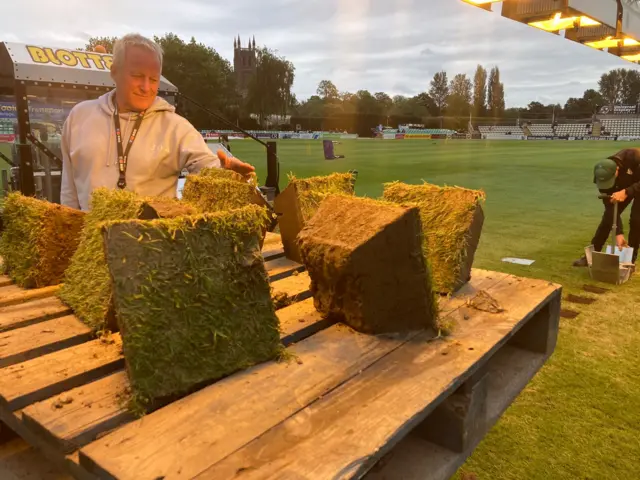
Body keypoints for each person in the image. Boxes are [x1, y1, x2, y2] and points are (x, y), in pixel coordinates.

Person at [61, 33, 253, 211]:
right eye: (137, 76)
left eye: (153, 79)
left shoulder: (175, 126)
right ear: (114, 72)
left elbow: (206, 165)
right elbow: (69, 191)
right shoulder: (79, 116)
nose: (146, 87)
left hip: (153, 244)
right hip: (93, 245)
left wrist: (226, 172)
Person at [573, 148, 640, 266]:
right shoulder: (601, 175)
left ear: (617, 170)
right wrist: (618, 233)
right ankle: (592, 255)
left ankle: (630, 260)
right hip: (623, 186)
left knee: (636, 221)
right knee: (607, 220)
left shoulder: (634, 156)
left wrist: (627, 191)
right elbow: (610, 208)